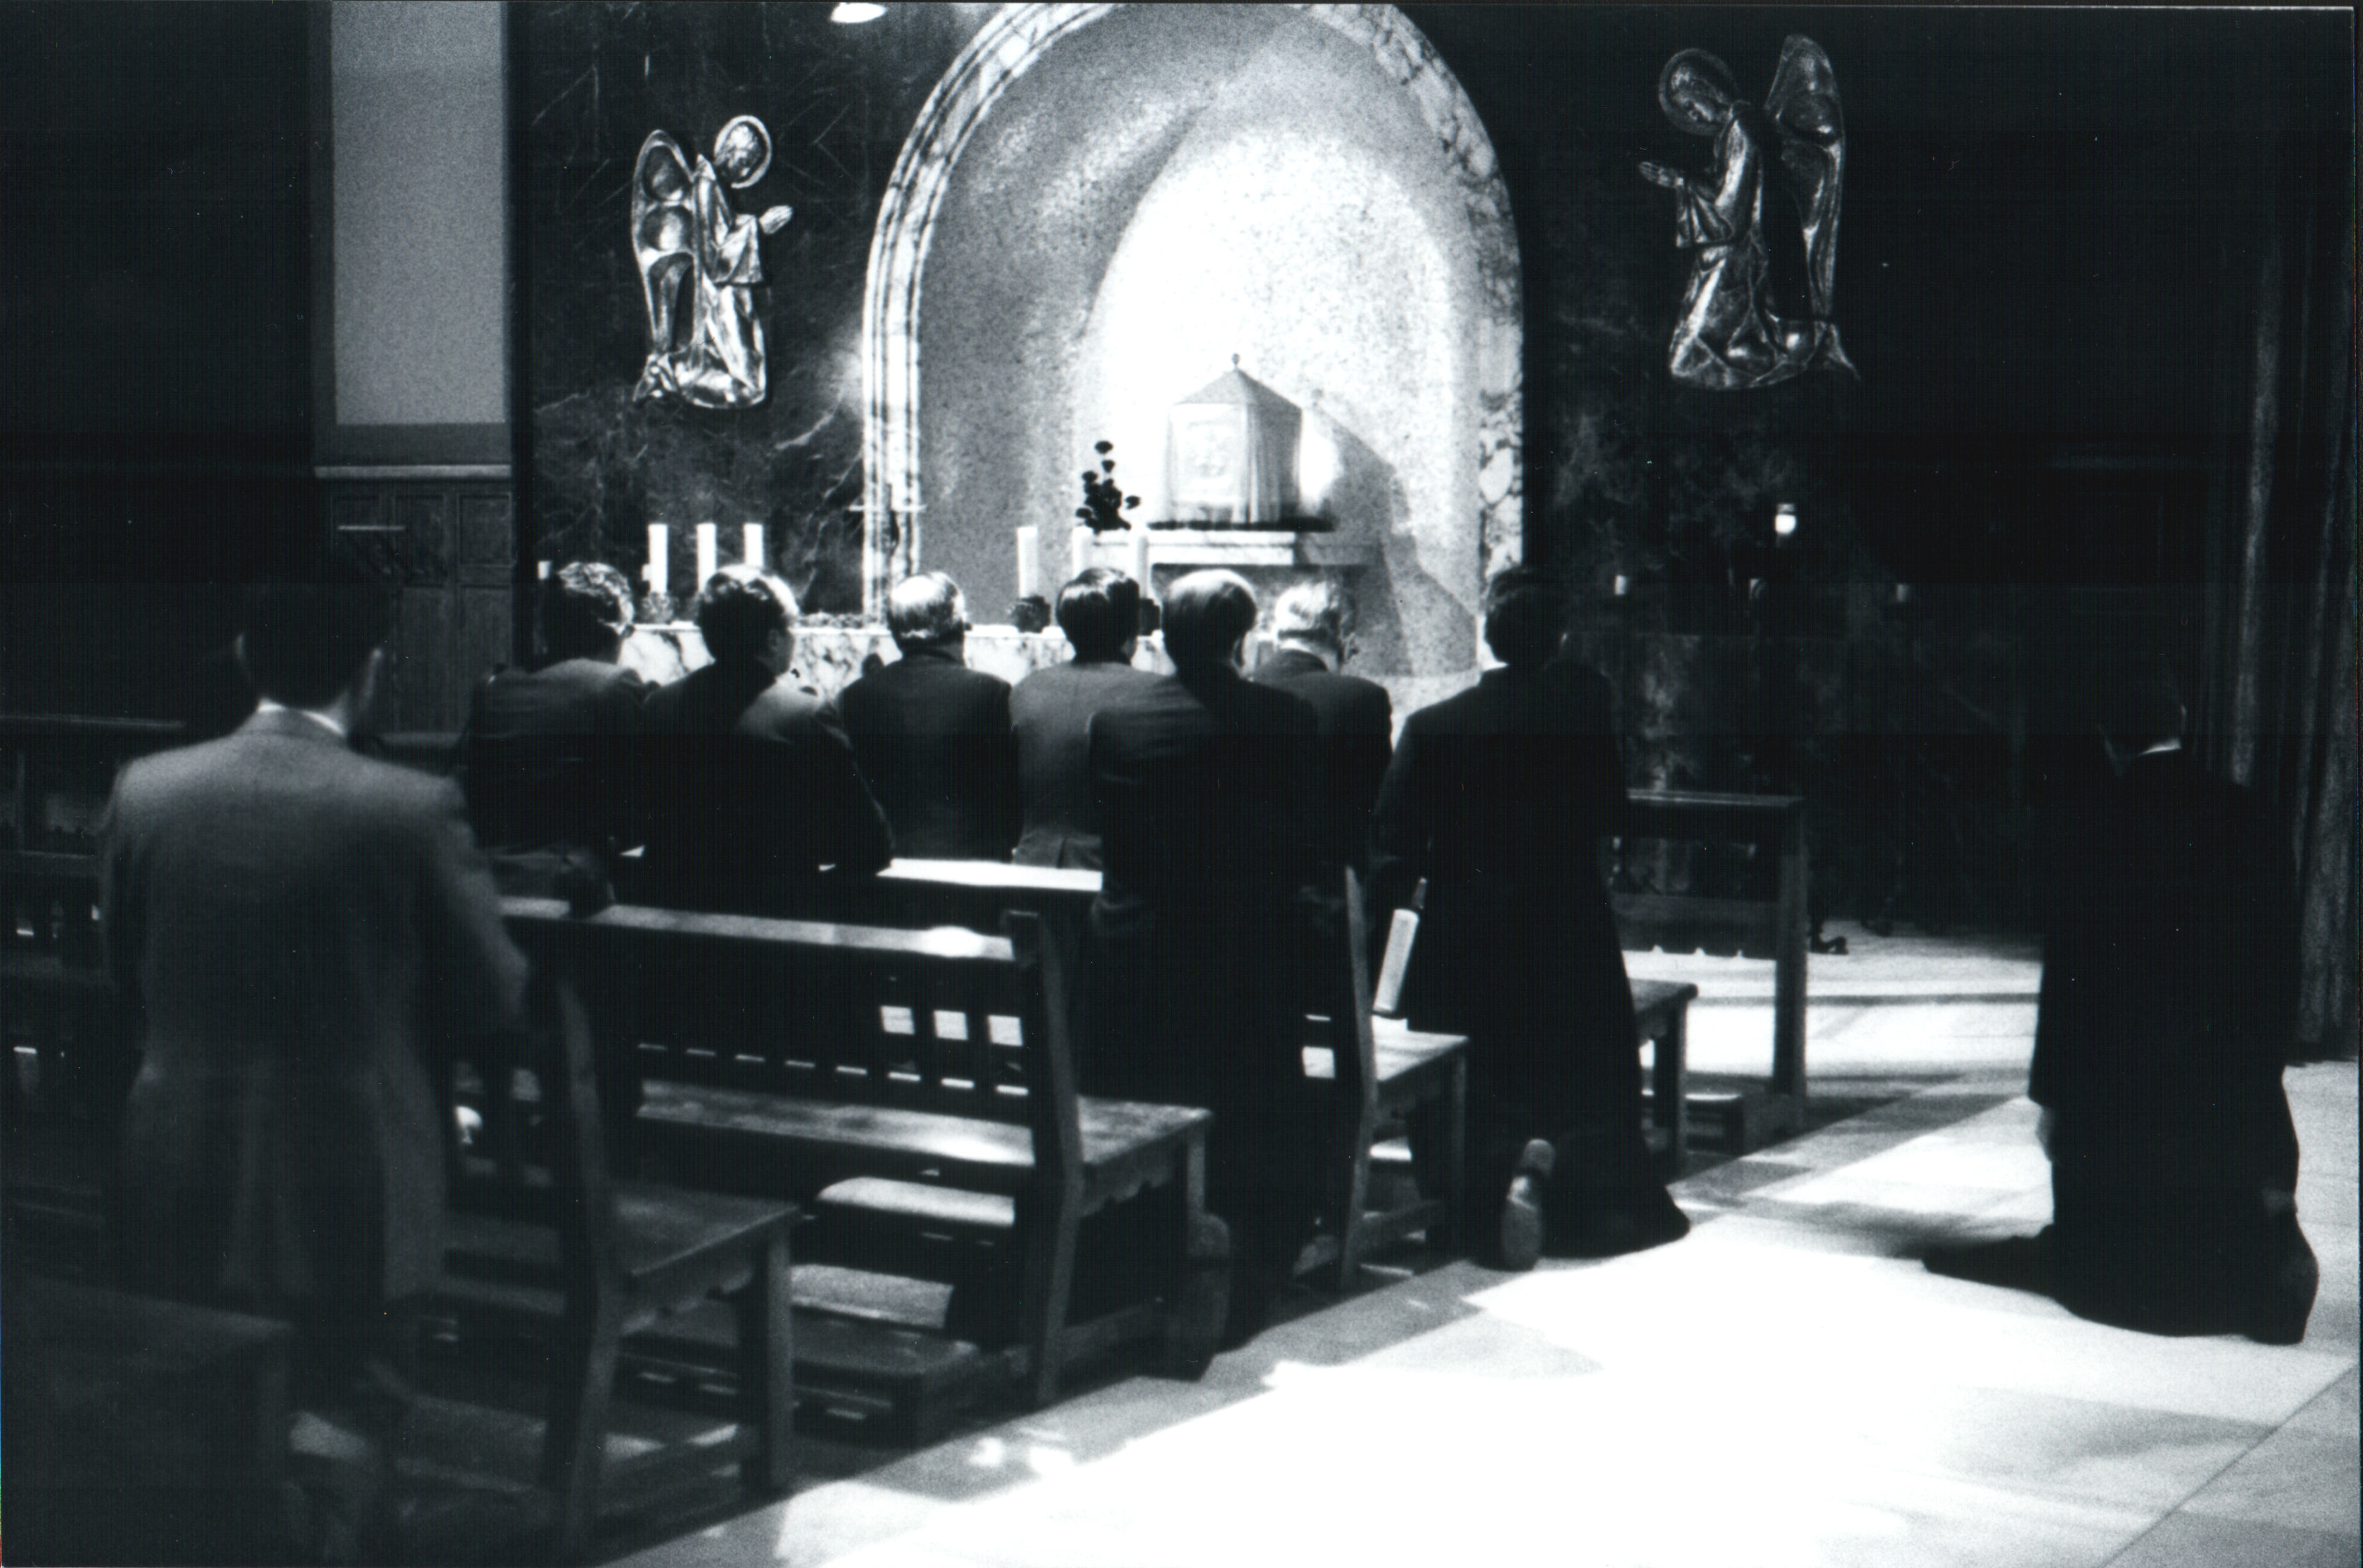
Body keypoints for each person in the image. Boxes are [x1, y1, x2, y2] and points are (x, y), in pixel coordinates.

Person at [100, 563, 528, 1561]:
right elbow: (493, 999)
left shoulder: (148, 790)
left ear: (249, 658)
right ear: (373, 668)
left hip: (176, 1147)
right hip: (353, 1161)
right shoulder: (408, 808)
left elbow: (124, 971)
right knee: (350, 1395)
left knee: (201, 1405)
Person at [1927, 656, 2317, 1343]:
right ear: (2184, 725)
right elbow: (2278, 966)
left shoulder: (2095, 825)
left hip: (2123, 1093)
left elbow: (2072, 982)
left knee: (2103, 1227)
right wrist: (2263, 1073)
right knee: (2219, 1174)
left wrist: (2053, 1099)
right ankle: (2259, 1252)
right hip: (2227, 1088)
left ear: (2109, 739)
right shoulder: (2251, 815)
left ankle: (2101, 1255)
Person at [1370, 567, 1688, 1269]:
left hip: (1465, 931)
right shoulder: (1580, 716)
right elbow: (1613, 812)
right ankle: (1571, 1188)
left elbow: (1393, 848)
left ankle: (1473, 1202)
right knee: (1577, 1063)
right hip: (1564, 921)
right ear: (1558, 638)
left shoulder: (1432, 728)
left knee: (1478, 1069)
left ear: (1487, 635)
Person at [1086, 569, 1324, 1341]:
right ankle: (1240, 1248)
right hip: (1244, 962)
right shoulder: (1283, 718)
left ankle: (1146, 1244)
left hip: (1141, 958)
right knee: (1252, 1109)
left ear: (1162, 639)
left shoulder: (1118, 723)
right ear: (1241, 638)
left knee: (1149, 1089)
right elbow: (1302, 847)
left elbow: (1113, 838)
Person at [639, 566, 892, 916]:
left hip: (671, 920)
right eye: (793, 625)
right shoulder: (804, 716)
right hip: (773, 932)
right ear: (773, 639)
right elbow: (871, 844)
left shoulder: (660, 706)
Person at [458, 561, 650, 901]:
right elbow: (641, 801)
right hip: (561, 890)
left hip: (477, 880)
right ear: (612, 632)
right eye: (628, 631)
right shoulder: (614, 685)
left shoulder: (493, 684)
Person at [839, 571, 1020, 861]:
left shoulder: (855, 696)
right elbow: (1008, 796)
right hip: (968, 865)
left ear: (895, 630)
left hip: (884, 864)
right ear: (958, 626)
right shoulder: (989, 693)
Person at [1010, 567, 1156, 869]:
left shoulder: (1026, 689)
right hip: (1115, 878)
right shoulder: (1154, 694)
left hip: (1031, 873)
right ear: (1133, 627)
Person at [1253, 578, 1393, 881]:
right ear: (1345, 638)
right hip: (1327, 885)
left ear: (1277, 634)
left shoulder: (1239, 690)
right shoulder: (1362, 698)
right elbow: (1378, 806)